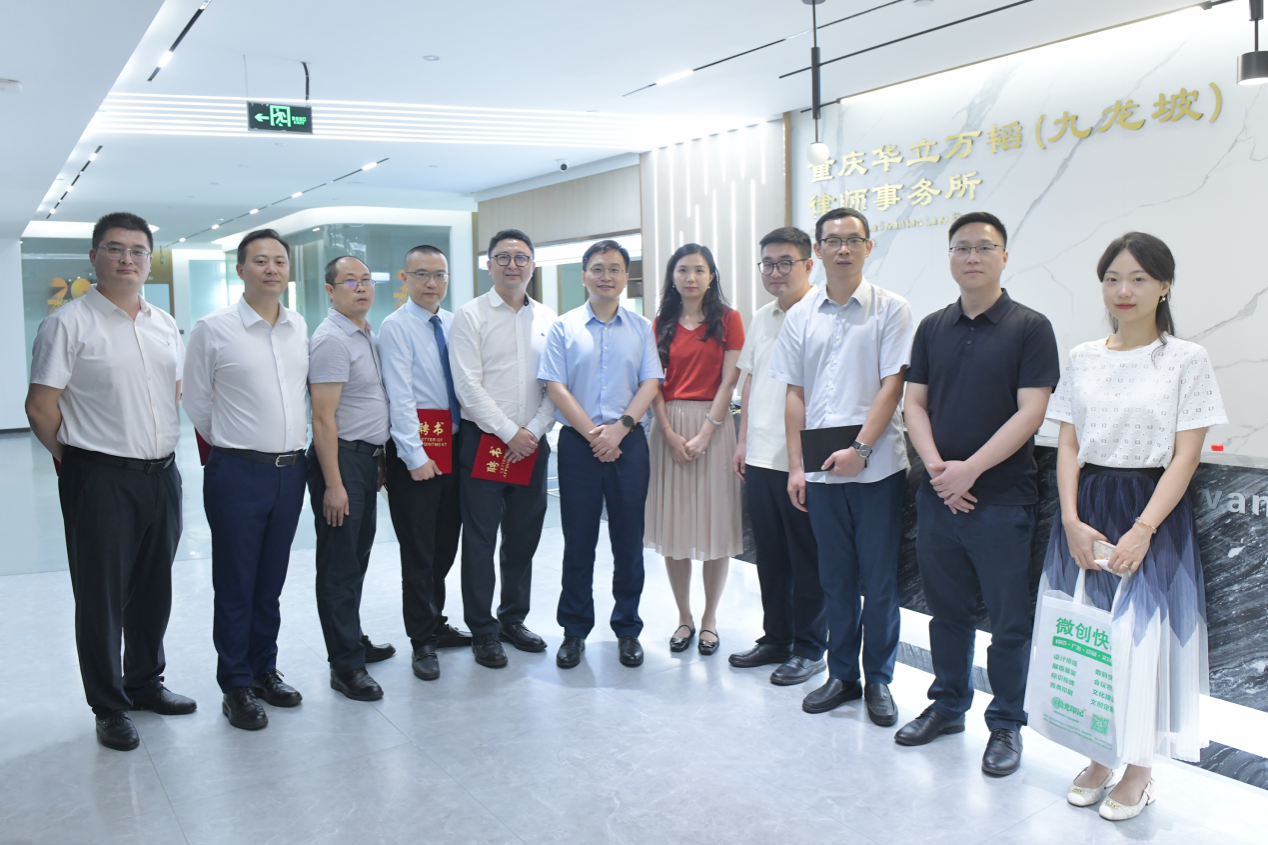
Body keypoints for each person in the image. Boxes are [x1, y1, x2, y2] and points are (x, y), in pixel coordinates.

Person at [1033, 233, 1224, 821]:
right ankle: (1099, 752)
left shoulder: (1186, 359)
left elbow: (1186, 456)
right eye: (1113, 278)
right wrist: (1070, 519)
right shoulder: (1084, 356)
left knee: (1142, 640)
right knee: (1088, 633)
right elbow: (1067, 443)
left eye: (1139, 278)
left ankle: (1139, 767)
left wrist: (1143, 529)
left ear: (1164, 285)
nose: (1124, 289)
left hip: (1150, 507)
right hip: (1087, 505)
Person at [896, 212, 1060, 775]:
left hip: (1002, 500)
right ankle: (947, 706)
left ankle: (1007, 723)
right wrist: (939, 470)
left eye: (984, 248)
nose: (972, 257)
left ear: (1004, 257)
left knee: (1009, 623)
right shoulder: (932, 327)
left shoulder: (1030, 327)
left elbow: (1031, 412)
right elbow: (914, 403)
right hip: (939, 497)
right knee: (947, 615)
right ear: (950, 257)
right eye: (961, 248)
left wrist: (970, 471)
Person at [26, 211, 196, 751]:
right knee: (101, 597)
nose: (128, 259)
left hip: (162, 474)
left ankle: (145, 682)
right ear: (94, 256)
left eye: (138, 250)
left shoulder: (163, 323)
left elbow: (172, 393)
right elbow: (40, 407)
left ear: (150, 259)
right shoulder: (68, 323)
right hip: (99, 477)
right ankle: (109, 705)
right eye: (115, 248)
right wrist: (78, 461)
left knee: (153, 588)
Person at [769, 207, 914, 723]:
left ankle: (879, 680)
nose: (843, 249)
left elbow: (892, 386)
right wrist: (796, 468)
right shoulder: (801, 315)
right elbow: (795, 393)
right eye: (833, 240)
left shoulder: (891, 309)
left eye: (853, 240)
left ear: (868, 247)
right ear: (819, 250)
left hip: (878, 470)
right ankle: (843, 676)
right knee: (835, 579)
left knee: (879, 582)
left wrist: (862, 450)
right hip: (821, 470)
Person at [183, 228, 311, 731]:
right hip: (237, 471)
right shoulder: (213, 329)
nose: (271, 268)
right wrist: (234, 445)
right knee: (236, 581)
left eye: (279, 260)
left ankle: (264, 669)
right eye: (260, 260)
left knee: (270, 580)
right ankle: (235, 683)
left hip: (290, 471)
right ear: (240, 270)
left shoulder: (298, 326)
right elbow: (197, 402)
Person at [539, 239, 663, 669]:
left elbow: (650, 383)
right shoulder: (563, 327)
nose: (605, 276)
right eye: (597, 268)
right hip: (579, 444)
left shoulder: (641, 327)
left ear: (625, 277)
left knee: (629, 542)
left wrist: (620, 429)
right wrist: (595, 435)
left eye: (614, 269)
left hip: (629, 442)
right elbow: (555, 386)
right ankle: (574, 631)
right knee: (579, 542)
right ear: (584, 276)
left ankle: (627, 629)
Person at [449, 229, 557, 668]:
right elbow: (467, 386)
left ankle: (513, 619)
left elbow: (556, 386)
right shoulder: (470, 316)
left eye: (521, 257)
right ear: (489, 264)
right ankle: (483, 630)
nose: (513, 265)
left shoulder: (548, 318)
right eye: (503, 257)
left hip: (532, 444)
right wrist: (509, 432)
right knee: (479, 540)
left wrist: (531, 431)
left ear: (533, 264)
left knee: (523, 537)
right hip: (485, 443)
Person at [728, 227, 827, 686]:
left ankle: (810, 649)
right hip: (762, 455)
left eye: (785, 262)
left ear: (808, 265)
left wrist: (803, 461)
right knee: (770, 557)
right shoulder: (763, 316)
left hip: (803, 460)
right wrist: (742, 441)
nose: (775, 272)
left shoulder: (823, 314)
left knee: (807, 559)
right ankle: (777, 638)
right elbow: (749, 382)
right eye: (767, 264)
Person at [378, 245, 473, 682]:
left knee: (445, 544)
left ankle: (436, 621)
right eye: (421, 274)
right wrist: (414, 456)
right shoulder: (395, 327)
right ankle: (422, 639)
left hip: (454, 447)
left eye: (439, 275)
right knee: (418, 550)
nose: (431, 283)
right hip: (415, 454)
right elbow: (399, 396)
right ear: (405, 279)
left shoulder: (454, 323)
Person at [645, 244, 744, 656]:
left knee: (716, 527)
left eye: (699, 270)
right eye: (682, 270)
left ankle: (709, 620)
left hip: (714, 427)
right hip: (667, 426)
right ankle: (684, 617)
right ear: (672, 277)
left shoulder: (729, 320)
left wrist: (706, 432)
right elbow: (651, 382)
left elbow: (729, 382)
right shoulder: (660, 323)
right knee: (676, 526)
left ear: (711, 276)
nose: (691, 277)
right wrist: (668, 432)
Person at [307, 256, 394, 701]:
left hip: (363, 460)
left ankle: (353, 640)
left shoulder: (366, 335)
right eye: (349, 281)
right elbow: (322, 419)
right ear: (330, 290)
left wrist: (376, 460)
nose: (360, 288)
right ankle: (345, 666)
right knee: (339, 567)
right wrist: (334, 484)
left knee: (356, 558)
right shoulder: (331, 341)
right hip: (339, 461)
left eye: (366, 280)